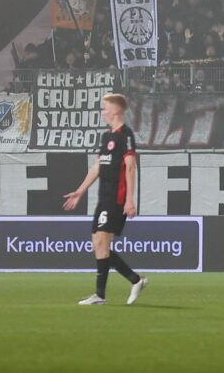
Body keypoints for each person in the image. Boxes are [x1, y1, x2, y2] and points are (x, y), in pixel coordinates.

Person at [62, 93, 147, 306]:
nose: (103, 112)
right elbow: (97, 167)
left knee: (102, 243)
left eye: (105, 108)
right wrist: (80, 191)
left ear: (116, 110)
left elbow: (130, 168)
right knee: (99, 245)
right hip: (103, 198)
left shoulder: (125, 136)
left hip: (117, 199)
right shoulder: (106, 137)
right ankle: (135, 280)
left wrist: (129, 200)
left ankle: (100, 295)